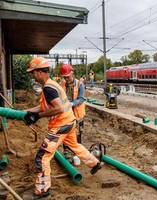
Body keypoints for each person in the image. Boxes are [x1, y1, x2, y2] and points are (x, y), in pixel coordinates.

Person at [23, 57, 101, 199]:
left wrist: (39, 116)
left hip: (61, 124)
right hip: (69, 120)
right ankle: (94, 163)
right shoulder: (53, 85)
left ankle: (42, 190)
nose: (32, 75)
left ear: (40, 72)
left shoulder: (48, 88)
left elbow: (58, 108)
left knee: (42, 156)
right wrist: (30, 112)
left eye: (33, 72)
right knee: (74, 145)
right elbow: (47, 106)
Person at [59, 64, 86, 160]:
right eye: (64, 77)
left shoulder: (80, 84)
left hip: (77, 114)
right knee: (65, 132)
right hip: (66, 115)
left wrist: (72, 104)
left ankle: (77, 153)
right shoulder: (62, 84)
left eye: (68, 76)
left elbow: (81, 99)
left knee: (77, 134)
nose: (66, 79)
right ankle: (67, 151)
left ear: (72, 73)